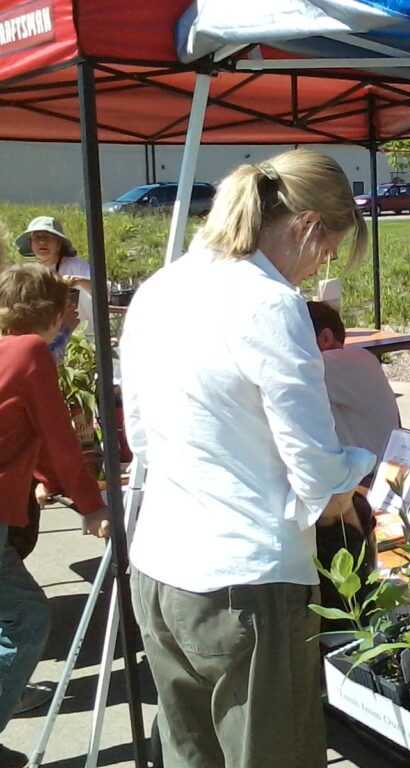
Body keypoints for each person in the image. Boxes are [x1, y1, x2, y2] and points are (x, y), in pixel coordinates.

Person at [119, 150, 376, 768]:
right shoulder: (267, 302)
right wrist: (357, 471)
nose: (323, 266)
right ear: (309, 226)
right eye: (329, 250)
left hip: (159, 570)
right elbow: (315, 466)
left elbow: (142, 440)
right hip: (247, 581)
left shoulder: (159, 287)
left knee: (189, 755)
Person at [0, 263, 111, 768]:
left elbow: (29, 434)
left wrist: (46, 479)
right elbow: (61, 438)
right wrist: (92, 505)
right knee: (25, 621)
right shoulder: (30, 352)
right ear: (48, 311)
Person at [306, 300, 401, 464]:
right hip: (381, 468)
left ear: (326, 337)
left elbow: (279, 371)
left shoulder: (335, 363)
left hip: (367, 479)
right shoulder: (361, 359)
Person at [15, 216, 89, 359]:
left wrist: (78, 281)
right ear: (31, 244)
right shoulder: (29, 273)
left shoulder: (76, 266)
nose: (42, 242)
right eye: (37, 238)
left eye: (48, 237)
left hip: (82, 339)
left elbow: (104, 291)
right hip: (47, 342)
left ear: (59, 244)